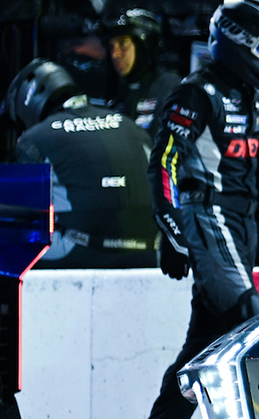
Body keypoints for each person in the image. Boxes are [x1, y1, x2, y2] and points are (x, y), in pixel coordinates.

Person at [139, 0, 259, 419]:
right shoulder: (196, 92)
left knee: (202, 345)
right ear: (238, 42)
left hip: (241, 223)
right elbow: (164, 165)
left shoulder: (256, 95)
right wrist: (172, 232)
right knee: (254, 328)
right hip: (207, 215)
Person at [7, 60, 155, 268]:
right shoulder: (130, 125)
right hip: (151, 250)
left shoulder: (36, 138)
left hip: (81, 253)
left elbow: (22, 211)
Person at [104, 9, 181, 134]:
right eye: (111, 46)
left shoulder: (170, 88)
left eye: (123, 43)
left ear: (145, 46)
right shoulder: (121, 91)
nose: (115, 55)